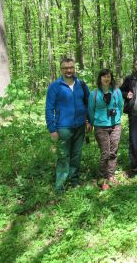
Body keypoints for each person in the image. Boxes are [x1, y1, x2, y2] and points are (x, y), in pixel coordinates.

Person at [45, 57, 90, 193]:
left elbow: (88, 103)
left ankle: (74, 181)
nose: (68, 70)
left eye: (71, 67)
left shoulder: (81, 84)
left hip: (80, 125)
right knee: (63, 156)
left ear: (74, 68)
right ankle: (60, 186)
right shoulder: (55, 86)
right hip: (63, 127)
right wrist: (52, 129)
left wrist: (89, 121)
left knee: (76, 155)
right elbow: (49, 108)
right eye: (65, 68)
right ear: (61, 69)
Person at [87, 69, 123, 191]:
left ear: (111, 78)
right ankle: (102, 178)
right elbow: (90, 110)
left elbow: (120, 106)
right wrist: (93, 122)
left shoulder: (116, 92)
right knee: (105, 153)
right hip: (100, 126)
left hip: (115, 125)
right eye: (104, 77)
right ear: (100, 79)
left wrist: (117, 118)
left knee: (113, 151)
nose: (106, 79)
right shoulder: (94, 94)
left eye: (108, 77)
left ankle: (111, 176)